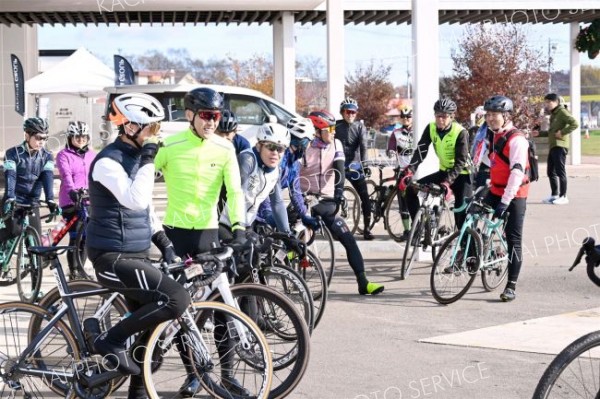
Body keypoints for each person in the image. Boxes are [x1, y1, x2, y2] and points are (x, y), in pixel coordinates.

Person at [86, 93, 187, 399]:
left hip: (136, 253)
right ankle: (109, 342)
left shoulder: (133, 157)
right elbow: (135, 198)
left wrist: (165, 243)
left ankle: (138, 394)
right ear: (129, 127)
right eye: (151, 128)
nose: (155, 135)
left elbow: (145, 212)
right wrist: (148, 159)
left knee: (149, 338)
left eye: (157, 128)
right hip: (111, 257)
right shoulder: (108, 161)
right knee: (177, 300)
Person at [154, 87, 248, 396]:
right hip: (176, 234)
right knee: (181, 309)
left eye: (216, 116)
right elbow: (143, 177)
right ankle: (193, 373)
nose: (211, 122)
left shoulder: (224, 148)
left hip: (208, 236)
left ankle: (229, 376)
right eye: (206, 116)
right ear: (191, 115)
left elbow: (234, 191)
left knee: (222, 306)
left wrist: (239, 227)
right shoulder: (169, 145)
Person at [300, 110, 384, 295]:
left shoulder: (335, 143)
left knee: (348, 238)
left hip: (326, 201)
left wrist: (338, 194)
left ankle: (363, 282)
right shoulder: (304, 146)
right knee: (298, 239)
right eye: (329, 129)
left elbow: (339, 169)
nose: (334, 132)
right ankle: (291, 274)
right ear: (316, 131)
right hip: (304, 200)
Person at [481, 95, 530, 302]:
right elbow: (484, 163)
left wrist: (504, 202)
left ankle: (511, 285)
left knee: (513, 239)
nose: (491, 118)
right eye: (488, 115)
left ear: (506, 115)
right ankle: (478, 250)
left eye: (495, 115)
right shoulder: (490, 135)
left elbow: (517, 174)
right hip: (495, 189)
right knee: (469, 215)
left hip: (515, 193)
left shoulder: (517, 140)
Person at [400, 98, 473, 229]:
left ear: (452, 116)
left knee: (461, 216)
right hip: (444, 172)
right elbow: (421, 150)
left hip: (462, 175)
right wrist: (410, 170)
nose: (440, 120)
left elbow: (460, 161)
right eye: (438, 116)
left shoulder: (460, 132)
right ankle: (418, 227)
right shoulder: (431, 128)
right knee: (411, 190)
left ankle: (469, 248)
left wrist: (448, 181)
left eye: (444, 116)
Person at [220, 123, 291, 235]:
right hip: (224, 223)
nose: (275, 153)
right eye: (271, 147)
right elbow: (233, 193)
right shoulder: (248, 160)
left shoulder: (276, 170)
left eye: (280, 149)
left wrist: (287, 234)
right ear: (258, 146)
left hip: (247, 225)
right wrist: (238, 227)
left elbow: (277, 203)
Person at [2, 118, 58, 243]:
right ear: (27, 135)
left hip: (32, 202)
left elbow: (47, 177)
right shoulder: (12, 153)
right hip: (14, 200)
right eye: (38, 137)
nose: (42, 142)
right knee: (15, 231)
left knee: (35, 242)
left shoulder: (47, 155)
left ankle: (33, 263)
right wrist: (10, 197)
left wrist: (50, 199)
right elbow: (11, 175)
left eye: (45, 138)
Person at [55, 121, 96, 279]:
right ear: (70, 137)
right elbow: (66, 176)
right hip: (70, 200)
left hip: (88, 200)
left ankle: (80, 269)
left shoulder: (92, 155)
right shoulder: (63, 155)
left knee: (86, 236)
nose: (81, 139)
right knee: (74, 235)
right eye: (77, 136)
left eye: (84, 136)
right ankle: (73, 272)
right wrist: (72, 191)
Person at [335, 97, 374, 240]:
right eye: (348, 111)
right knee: (333, 196)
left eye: (353, 112)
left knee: (365, 197)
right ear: (342, 112)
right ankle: (332, 227)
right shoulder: (335, 126)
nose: (351, 114)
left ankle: (367, 229)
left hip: (355, 166)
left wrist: (365, 164)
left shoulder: (359, 127)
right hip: (338, 164)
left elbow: (364, 146)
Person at [534, 93, 578, 205]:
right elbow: (551, 132)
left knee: (560, 172)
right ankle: (554, 195)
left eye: (550, 102)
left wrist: (562, 132)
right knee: (550, 172)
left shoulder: (562, 112)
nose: (547, 104)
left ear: (556, 102)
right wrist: (539, 133)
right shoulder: (554, 114)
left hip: (560, 146)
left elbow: (575, 123)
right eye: (546, 102)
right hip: (553, 146)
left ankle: (563, 196)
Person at [386, 107, 414, 241]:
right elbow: (391, 147)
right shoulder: (396, 133)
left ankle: (417, 227)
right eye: (404, 117)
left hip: (416, 171)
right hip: (402, 171)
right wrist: (391, 152)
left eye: (408, 117)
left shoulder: (418, 131)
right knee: (403, 202)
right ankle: (407, 230)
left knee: (417, 200)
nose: (406, 119)